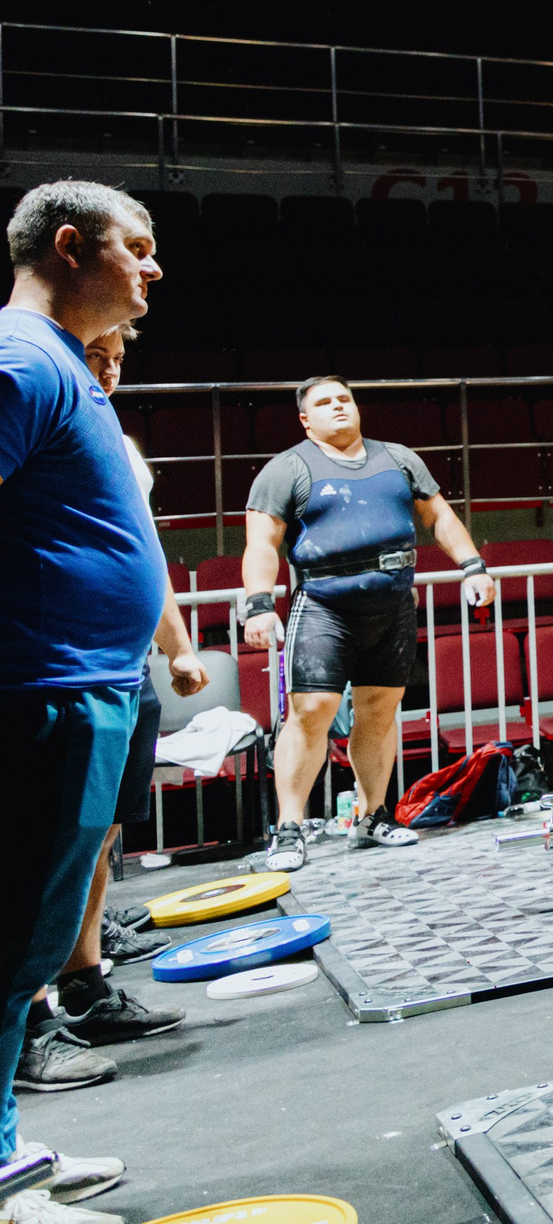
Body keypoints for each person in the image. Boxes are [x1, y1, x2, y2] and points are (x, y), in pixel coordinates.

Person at [1, 180, 169, 1224]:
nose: (155, 269)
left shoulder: (60, 365)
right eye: (137, 248)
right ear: (70, 247)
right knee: (4, 945)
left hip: (78, 690)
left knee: (19, 952)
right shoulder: (21, 359)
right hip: (38, 695)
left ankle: (8, 1156)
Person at [16, 328, 203, 1100]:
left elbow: (141, 550)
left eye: (123, 353)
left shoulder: (114, 439)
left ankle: (87, 984)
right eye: (100, 349)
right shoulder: (31, 379)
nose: (114, 359)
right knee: (32, 863)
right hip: (52, 670)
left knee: (98, 838)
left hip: (123, 668)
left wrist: (179, 644)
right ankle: (30, 1027)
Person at [244, 376, 496, 872]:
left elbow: (439, 517)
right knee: (311, 710)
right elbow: (261, 542)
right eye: (324, 402)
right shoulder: (286, 469)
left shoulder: (399, 458)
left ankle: (374, 815)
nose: (338, 407)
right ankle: (290, 828)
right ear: (304, 418)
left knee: (380, 712)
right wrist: (257, 603)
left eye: (344, 398)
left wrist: (473, 566)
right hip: (323, 606)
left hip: (393, 604)